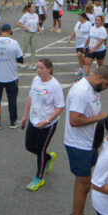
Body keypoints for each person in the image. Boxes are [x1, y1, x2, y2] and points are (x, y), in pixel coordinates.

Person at [64, 65, 108, 215]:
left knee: (83, 184)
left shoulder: (93, 89)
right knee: (83, 184)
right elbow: (74, 120)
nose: (107, 87)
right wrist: (100, 117)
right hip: (78, 146)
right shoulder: (81, 91)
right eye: (107, 84)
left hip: (89, 143)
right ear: (100, 78)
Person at [20, 58, 65, 191]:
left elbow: (60, 107)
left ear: (49, 69)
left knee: (40, 149)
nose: (38, 70)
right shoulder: (35, 80)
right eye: (37, 68)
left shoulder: (55, 85)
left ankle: (39, 178)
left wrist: (47, 121)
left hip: (47, 123)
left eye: (41, 68)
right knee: (29, 146)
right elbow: (30, 98)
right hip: (34, 119)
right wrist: (24, 116)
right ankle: (49, 157)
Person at [0, 23, 24, 129]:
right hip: (11, 76)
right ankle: (13, 121)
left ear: (1, 32)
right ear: (9, 31)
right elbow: (20, 59)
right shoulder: (14, 43)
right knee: (12, 99)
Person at [66, 11, 92, 77]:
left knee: (79, 55)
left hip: (85, 43)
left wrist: (87, 44)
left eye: (80, 17)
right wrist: (70, 39)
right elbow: (75, 32)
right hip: (78, 43)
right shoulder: (78, 23)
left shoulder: (88, 24)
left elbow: (90, 35)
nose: (79, 18)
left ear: (84, 17)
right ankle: (81, 70)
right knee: (80, 58)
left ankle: (86, 67)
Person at [17, 3, 40, 69]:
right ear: (29, 8)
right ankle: (20, 62)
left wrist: (39, 29)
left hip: (34, 33)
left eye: (34, 7)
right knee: (25, 48)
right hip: (27, 33)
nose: (34, 8)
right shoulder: (25, 16)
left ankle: (32, 64)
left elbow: (37, 23)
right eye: (32, 7)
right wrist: (24, 26)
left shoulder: (36, 15)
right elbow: (18, 24)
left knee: (33, 48)